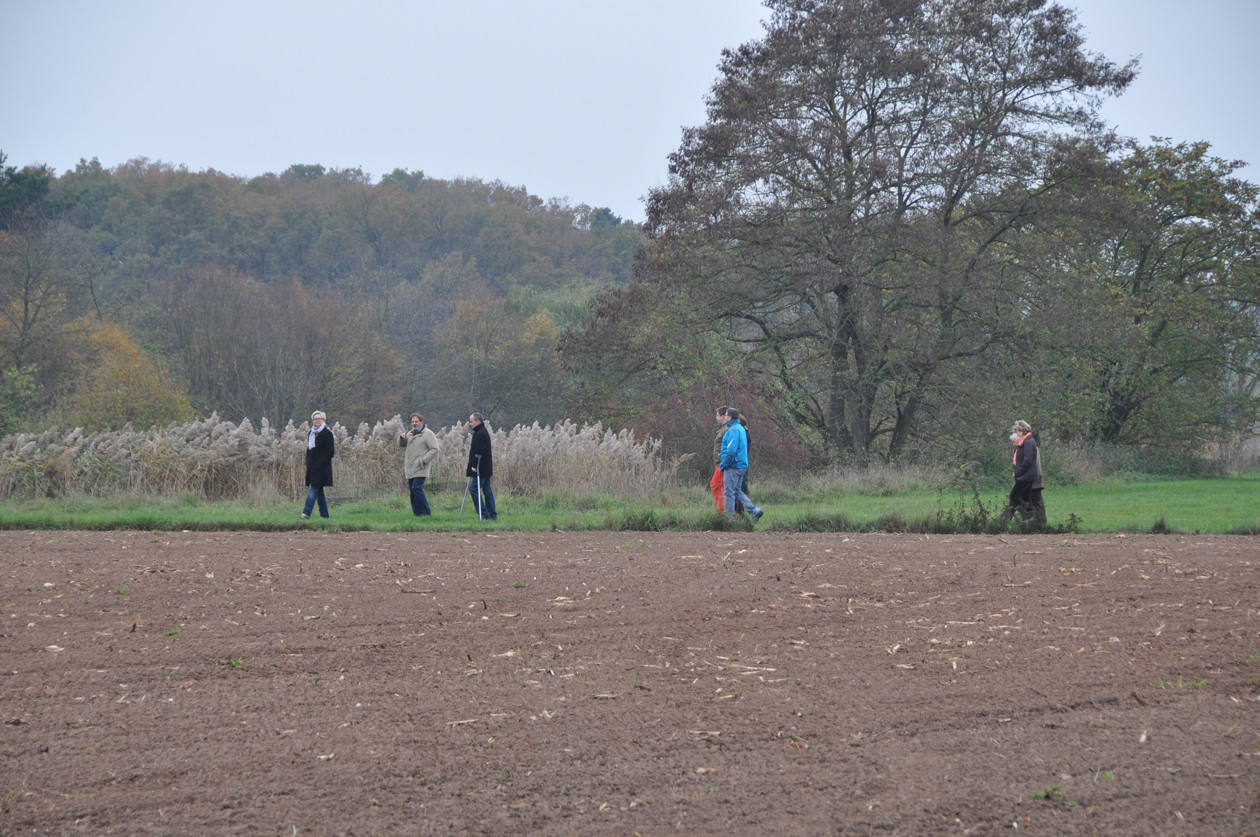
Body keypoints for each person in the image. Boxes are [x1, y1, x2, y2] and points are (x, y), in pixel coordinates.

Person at [719, 407, 764, 522]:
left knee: (729, 492)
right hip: (742, 465)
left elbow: (731, 452)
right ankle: (754, 511)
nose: (724, 417)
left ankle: (727, 518)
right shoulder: (740, 428)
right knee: (737, 491)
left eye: (726, 415)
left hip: (733, 466)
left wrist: (723, 465)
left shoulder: (732, 430)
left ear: (730, 417)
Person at [998, 419, 1042, 525]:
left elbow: (1027, 461)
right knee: (1025, 498)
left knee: (1014, 495)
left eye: (1017, 431)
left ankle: (1027, 517)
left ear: (1022, 430)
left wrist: (1017, 473)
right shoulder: (1028, 441)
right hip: (1028, 476)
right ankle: (1029, 521)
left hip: (1026, 476)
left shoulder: (1028, 442)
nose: (1016, 433)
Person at [399, 412, 441, 516]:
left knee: (416, 488)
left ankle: (426, 513)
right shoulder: (410, 433)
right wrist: (402, 438)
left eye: (416, 421)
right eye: (412, 422)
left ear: (421, 422)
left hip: (421, 467)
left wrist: (423, 460)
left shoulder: (428, 433)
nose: (414, 423)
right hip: (410, 467)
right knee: (413, 491)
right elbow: (402, 445)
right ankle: (417, 514)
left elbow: (434, 449)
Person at [302, 410, 335, 519]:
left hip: (322, 468)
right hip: (312, 467)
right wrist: (308, 462)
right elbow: (309, 450)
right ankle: (324, 516)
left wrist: (320, 463)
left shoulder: (327, 434)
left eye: (319, 419)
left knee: (312, 490)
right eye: (315, 419)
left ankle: (306, 513)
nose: (317, 421)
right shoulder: (311, 433)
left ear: (323, 420)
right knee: (319, 492)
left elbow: (330, 452)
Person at [465, 412, 496, 520]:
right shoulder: (480, 431)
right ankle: (492, 514)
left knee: (473, 489)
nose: (470, 423)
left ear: (477, 421)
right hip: (485, 468)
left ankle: (483, 514)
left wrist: (474, 465)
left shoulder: (480, 433)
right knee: (487, 490)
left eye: (471, 421)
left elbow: (479, 451)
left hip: (481, 468)